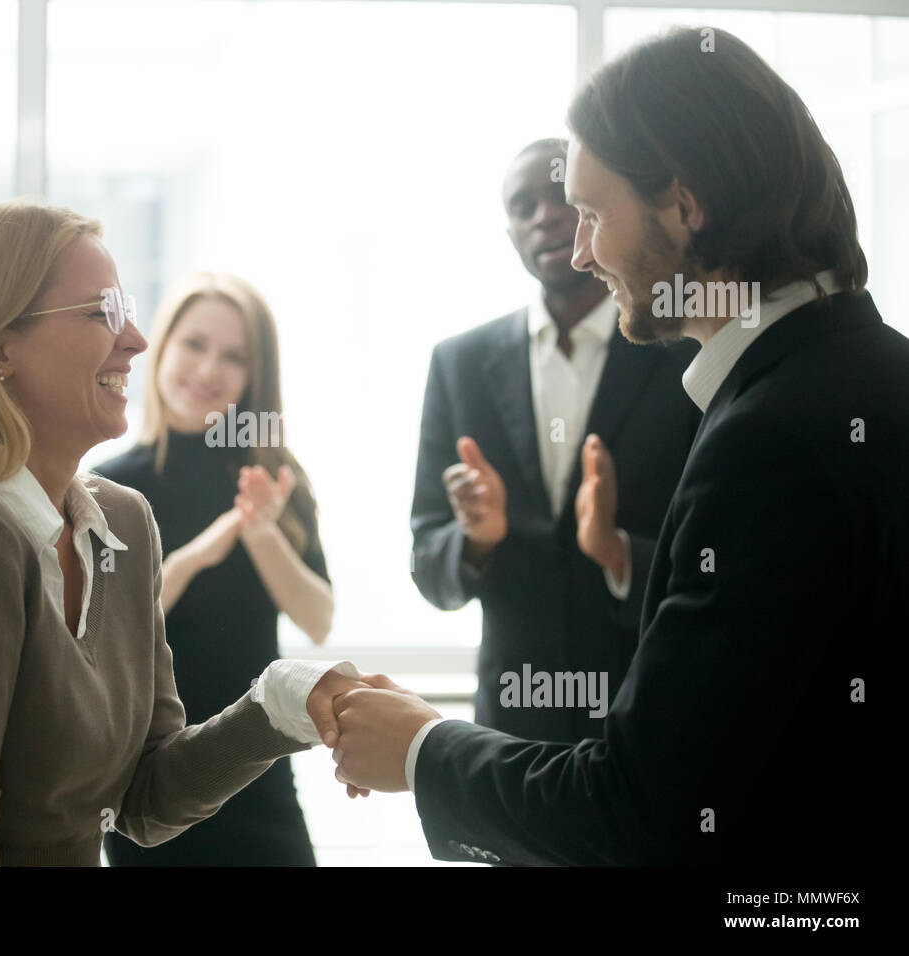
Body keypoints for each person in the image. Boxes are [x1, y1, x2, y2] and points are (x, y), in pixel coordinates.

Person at [327, 26, 903, 866]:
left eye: (593, 212)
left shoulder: (770, 438)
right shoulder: (872, 373)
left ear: (684, 204)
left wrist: (421, 748)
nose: (581, 249)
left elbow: (644, 811)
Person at [0, 200, 366, 866]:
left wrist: (286, 701)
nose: (136, 341)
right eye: (100, 313)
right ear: (1, 347)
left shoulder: (122, 521)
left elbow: (145, 797)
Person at [410, 138, 699, 743]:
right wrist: (474, 540)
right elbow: (428, 566)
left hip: (654, 718)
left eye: (561, 196)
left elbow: (715, 554)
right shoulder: (458, 363)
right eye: (524, 206)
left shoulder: (684, 356)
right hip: (513, 736)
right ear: (510, 233)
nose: (544, 215)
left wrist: (620, 552)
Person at [97, 273, 334, 866]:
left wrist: (259, 533)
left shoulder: (276, 478)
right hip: (145, 787)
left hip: (257, 774)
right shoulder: (108, 485)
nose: (208, 369)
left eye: (234, 356)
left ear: (256, 376)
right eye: (194, 344)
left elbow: (318, 620)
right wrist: (195, 556)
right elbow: (99, 631)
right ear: (162, 346)